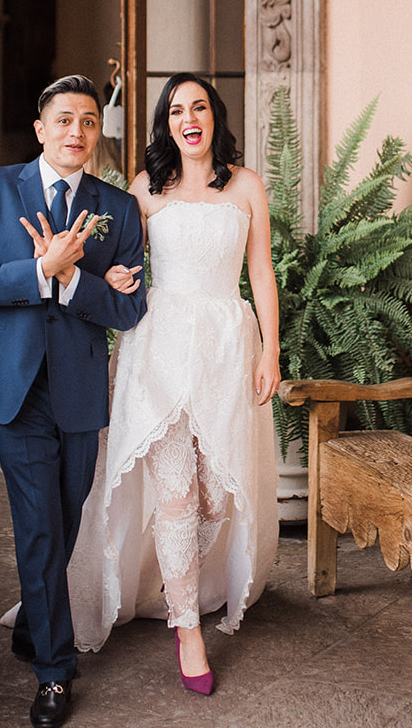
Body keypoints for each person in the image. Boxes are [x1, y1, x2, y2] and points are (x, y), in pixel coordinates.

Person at [66, 73, 280, 693]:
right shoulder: (145, 188)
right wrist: (106, 279)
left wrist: (271, 351)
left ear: (215, 118)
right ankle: (188, 627)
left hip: (223, 350)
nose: (190, 118)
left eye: (201, 107)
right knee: (177, 495)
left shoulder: (245, 187)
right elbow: (118, 261)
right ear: (167, 123)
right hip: (158, 349)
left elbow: (260, 273)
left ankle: (174, 575)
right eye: (178, 110)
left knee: (216, 492)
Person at [0, 74, 146, 728]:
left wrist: (71, 279)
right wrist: (38, 271)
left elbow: (129, 306)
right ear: (40, 128)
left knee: (62, 520)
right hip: (14, 390)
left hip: (80, 389)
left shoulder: (117, 209)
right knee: (39, 525)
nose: (76, 132)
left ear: (98, 133)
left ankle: (35, 626)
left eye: (89, 122)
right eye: (63, 120)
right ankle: (55, 674)